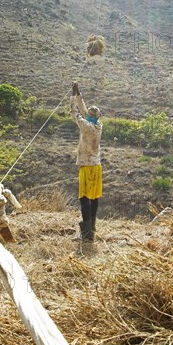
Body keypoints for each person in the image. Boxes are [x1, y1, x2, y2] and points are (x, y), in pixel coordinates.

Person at [70, 81, 103, 241]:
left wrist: (72, 96)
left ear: (89, 117)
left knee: (84, 198)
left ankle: (86, 235)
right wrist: (78, 93)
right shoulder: (98, 126)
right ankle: (93, 229)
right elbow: (84, 111)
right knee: (94, 198)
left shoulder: (85, 125)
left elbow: (74, 112)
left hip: (86, 167)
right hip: (96, 166)